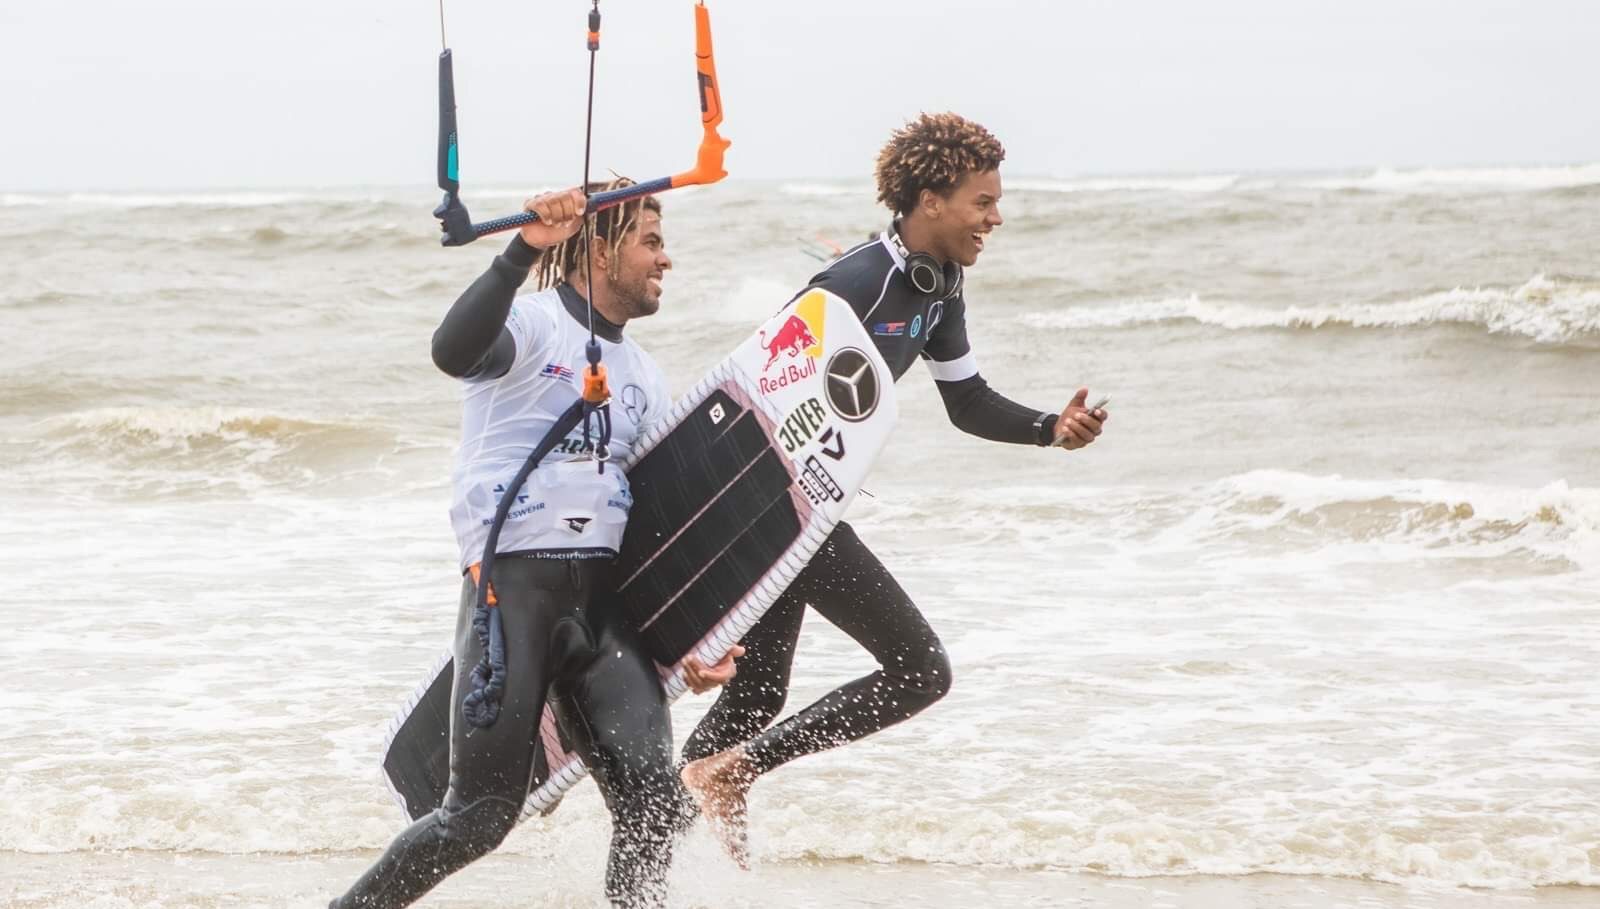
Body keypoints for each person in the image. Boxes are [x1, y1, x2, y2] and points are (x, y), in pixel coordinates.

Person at [679, 113, 1110, 862]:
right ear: (931, 200)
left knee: (757, 695)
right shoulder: (853, 284)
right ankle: (730, 773)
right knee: (921, 670)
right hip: (779, 508)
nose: (995, 218)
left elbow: (967, 402)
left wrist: (1050, 428)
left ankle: (656, 843)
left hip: (803, 508)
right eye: (983, 202)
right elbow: (757, 391)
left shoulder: (939, 290)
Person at [330, 181, 740, 909]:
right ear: (601, 250)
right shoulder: (534, 325)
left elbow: (657, 524)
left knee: (656, 806)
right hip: (511, 598)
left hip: (601, 615)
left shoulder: (645, 376)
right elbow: (452, 350)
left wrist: (694, 641)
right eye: (650, 242)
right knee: (477, 817)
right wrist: (522, 250)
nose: (665, 259)